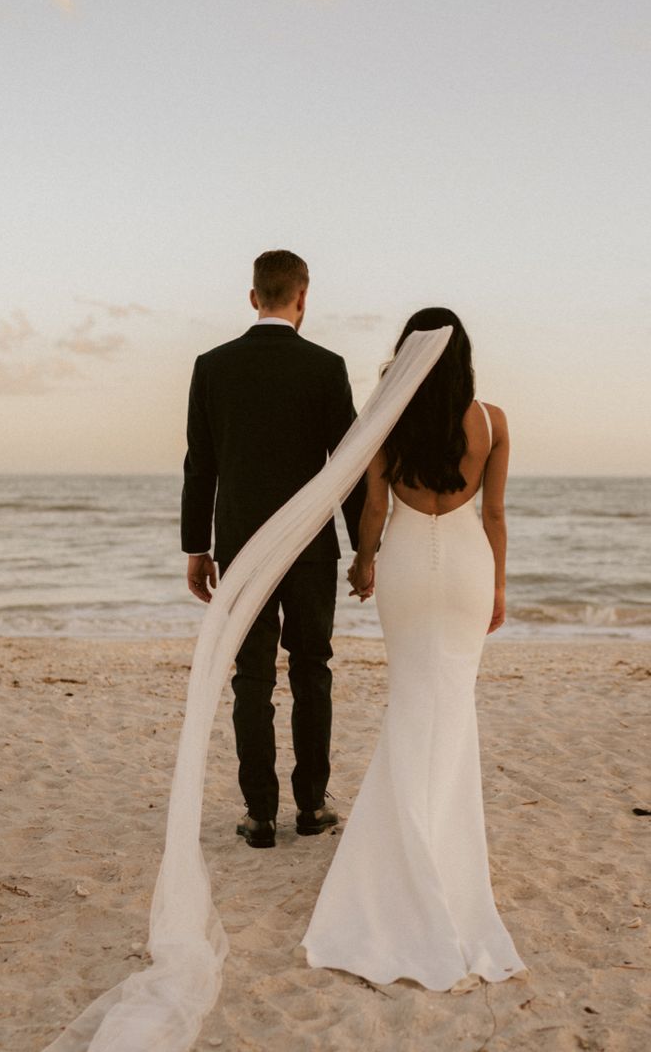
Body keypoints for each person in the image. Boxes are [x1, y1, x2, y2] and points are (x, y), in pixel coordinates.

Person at [301, 306, 528, 989]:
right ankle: (442, 846)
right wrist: (499, 586)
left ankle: (407, 842)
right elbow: (493, 514)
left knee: (412, 701)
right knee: (452, 704)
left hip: (405, 564)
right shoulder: (492, 420)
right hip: (465, 567)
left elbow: (374, 507)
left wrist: (363, 563)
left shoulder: (387, 417)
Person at [180, 250, 366, 849]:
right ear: (302, 298)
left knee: (251, 677)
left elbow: (200, 464)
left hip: (240, 545)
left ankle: (259, 815)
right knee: (313, 671)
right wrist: (365, 548)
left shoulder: (213, 366)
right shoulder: (326, 366)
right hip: (312, 549)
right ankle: (311, 807)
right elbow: (351, 467)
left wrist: (197, 547)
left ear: (253, 296)